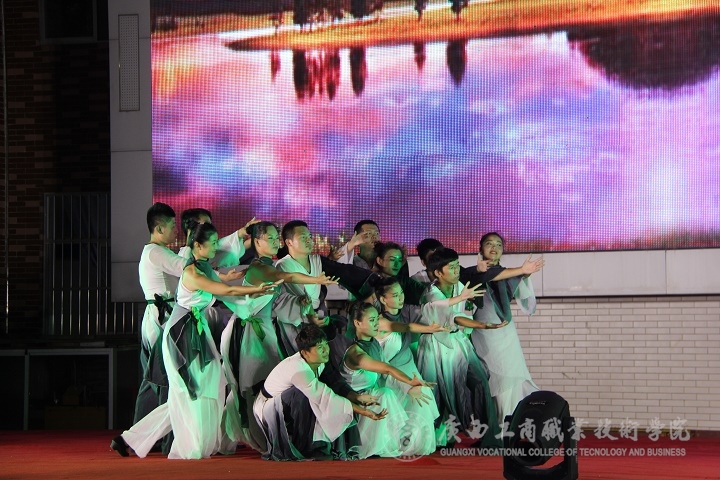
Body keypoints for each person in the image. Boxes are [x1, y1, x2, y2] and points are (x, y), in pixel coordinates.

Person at [112, 222, 275, 459]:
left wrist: (234, 281)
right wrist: (252, 290)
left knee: (207, 386)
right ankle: (146, 440)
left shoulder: (204, 267)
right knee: (190, 391)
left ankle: (129, 438)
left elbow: (221, 284)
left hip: (197, 330)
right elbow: (225, 291)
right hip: (182, 333)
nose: (216, 248)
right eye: (212, 243)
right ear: (198, 246)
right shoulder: (191, 272)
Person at [219, 221, 339, 453]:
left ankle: (260, 435)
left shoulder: (267, 266)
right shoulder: (259, 268)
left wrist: (304, 307)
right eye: (271, 238)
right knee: (254, 384)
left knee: (265, 384)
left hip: (265, 330)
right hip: (250, 334)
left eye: (277, 238)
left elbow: (279, 301)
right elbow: (286, 276)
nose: (276, 243)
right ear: (257, 242)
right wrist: (316, 280)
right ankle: (261, 437)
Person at [254, 324, 385, 461]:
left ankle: (334, 446)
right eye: (319, 347)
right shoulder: (299, 370)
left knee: (324, 392)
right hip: (269, 408)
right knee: (305, 395)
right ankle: (305, 448)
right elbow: (325, 396)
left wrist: (357, 397)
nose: (325, 350)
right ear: (305, 353)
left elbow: (336, 382)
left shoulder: (321, 360)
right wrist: (365, 412)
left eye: (325, 344)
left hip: (291, 402)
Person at [418, 247, 506, 447]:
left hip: (458, 341)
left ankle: (490, 436)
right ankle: (438, 438)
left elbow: (460, 316)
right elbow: (450, 314)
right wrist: (482, 324)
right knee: (440, 391)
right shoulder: (431, 293)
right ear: (438, 272)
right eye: (452, 267)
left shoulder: (459, 286)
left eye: (457, 265)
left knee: (480, 381)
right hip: (436, 346)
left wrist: (481, 323)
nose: (457, 270)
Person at [341, 302, 436, 458]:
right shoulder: (355, 353)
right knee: (385, 394)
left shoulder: (374, 345)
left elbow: (388, 372)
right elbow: (386, 368)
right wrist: (410, 381)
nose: (376, 324)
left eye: (377, 319)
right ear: (357, 323)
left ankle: (408, 441)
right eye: (371, 320)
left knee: (414, 392)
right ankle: (376, 445)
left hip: (372, 395)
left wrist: (409, 387)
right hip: (356, 401)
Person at [467, 232, 544, 423]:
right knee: (487, 378)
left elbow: (522, 295)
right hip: (481, 331)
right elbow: (489, 277)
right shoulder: (470, 272)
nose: (494, 248)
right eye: (489, 243)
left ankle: (506, 424)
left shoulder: (508, 274)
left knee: (510, 378)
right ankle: (493, 426)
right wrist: (520, 271)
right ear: (480, 248)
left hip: (505, 333)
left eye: (499, 245)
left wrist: (524, 276)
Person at [134, 203, 185, 426]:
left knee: (155, 377)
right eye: (173, 226)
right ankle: (157, 433)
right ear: (159, 228)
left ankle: (143, 432)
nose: (176, 230)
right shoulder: (156, 252)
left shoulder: (155, 251)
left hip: (158, 315)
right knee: (161, 377)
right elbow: (187, 267)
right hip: (161, 318)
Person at [177, 208, 258, 268]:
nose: (215, 247)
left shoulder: (212, 249)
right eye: (206, 225)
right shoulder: (184, 256)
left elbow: (229, 246)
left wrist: (246, 232)